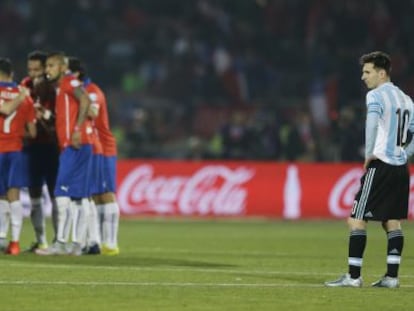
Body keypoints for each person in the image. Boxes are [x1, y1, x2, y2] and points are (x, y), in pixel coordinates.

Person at [325, 51, 414, 288]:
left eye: (367, 71)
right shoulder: (406, 99)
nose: (363, 77)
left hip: (381, 164)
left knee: (356, 219)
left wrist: (368, 155)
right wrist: (406, 153)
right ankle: (392, 278)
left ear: (381, 73)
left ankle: (353, 277)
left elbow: (371, 123)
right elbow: (413, 134)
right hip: (400, 168)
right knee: (391, 221)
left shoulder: (375, 95)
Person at [35, 51, 93, 256]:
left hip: (75, 145)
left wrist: (77, 130)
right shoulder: (61, 88)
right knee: (77, 197)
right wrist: (47, 115)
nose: (47, 70)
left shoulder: (69, 82)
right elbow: (66, 115)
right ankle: (76, 244)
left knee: (61, 194)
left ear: (61, 67)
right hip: (75, 146)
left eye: (51, 66)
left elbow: (85, 100)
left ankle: (61, 243)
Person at [68, 57, 120, 256]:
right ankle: (96, 240)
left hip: (103, 146)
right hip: (91, 145)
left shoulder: (92, 92)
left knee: (106, 194)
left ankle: (111, 243)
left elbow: (93, 113)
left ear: (77, 74)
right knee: (94, 195)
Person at [21, 50, 59, 252]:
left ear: (45, 69)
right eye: (30, 69)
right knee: (35, 192)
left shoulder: (54, 88)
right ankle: (40, 239)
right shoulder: (25, 85)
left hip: (52, 147)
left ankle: (58, 240)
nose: (33, 73)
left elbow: (58, 120)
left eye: (37, 69)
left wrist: (41, 112)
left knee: (55, 195)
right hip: (32, 147)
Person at [0, 58, 37, 255]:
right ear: (11, 74)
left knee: (1, 196)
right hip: (15, 150)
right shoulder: (25, 97)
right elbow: (32, 132)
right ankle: (13, 242)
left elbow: (5, 110)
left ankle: (2, 237)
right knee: (13, 195)